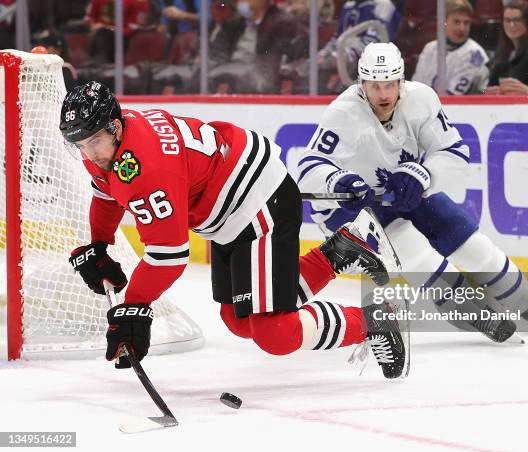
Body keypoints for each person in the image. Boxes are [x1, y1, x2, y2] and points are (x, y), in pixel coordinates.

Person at [59, 81, 408, 379]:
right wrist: (100, 243)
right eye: (81, 145)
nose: (89, 154)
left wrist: (134, 307)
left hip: (256, 204)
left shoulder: (146, 167)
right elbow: (106, 194)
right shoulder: (112, 143)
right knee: (238, 319)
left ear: (115, 128)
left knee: (275, 332)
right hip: (228, 211)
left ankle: (374, 321)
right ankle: (340, 251)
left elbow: (169, 256)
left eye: (94, 142)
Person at [293, 42, 528, 342]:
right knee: (416, 253)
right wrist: (338, 181)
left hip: (403, 189)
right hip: (353, 207)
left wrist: (421, 174)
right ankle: (474, 314)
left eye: (390, 84)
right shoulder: (344, 113)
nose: (384, 94)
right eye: (375, 86)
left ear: (401, 80)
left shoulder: (421, 99)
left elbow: (454, 150)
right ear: (361, 84)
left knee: (471, 243)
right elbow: (309, 165)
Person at [412, 0, 489, 95]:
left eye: (466, 23)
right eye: (457, 22)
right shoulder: (430, 48)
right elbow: (416, 88)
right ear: (443, 22)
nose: (462, 28)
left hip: (461, 108)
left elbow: (453, 97)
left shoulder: (474, 53)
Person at [486, 0, 528, 94]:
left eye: (516, 20)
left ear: (527, 22)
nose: (511, 25)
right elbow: (484, 89)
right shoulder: (502, 52)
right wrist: (487, 92)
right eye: (507, 20)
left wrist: (527, 90)